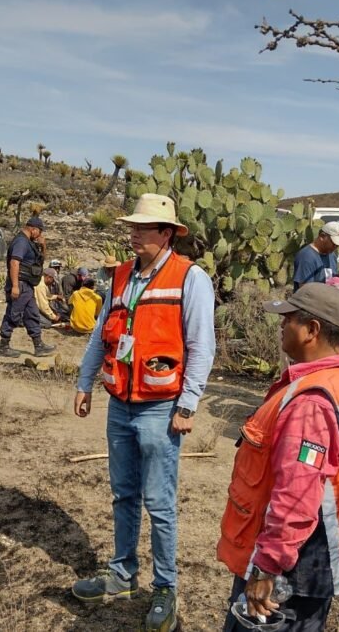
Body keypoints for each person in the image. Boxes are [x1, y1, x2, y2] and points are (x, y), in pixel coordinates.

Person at [71, 193, 216, 632]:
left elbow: (201, 346)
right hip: (120, 404)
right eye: (132, 227)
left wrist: (187, 404)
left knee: (159, 503)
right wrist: (84, 382)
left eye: (143, 228)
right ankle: (121, 576)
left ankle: (165, 588)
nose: (133, 234)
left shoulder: (191, 279)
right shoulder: (118, 277)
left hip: (160, 409)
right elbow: (101, 334)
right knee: (124, 495)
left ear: (167, 234)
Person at [218, 283, 339, 632]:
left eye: (287, 320)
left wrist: (267, 568)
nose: (280, 327)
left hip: (294, 567)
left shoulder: (311, 403)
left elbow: (297, 494)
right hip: (320, 556)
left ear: (312, 330)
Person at [0, 216, 56, 357]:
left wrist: (43, 246)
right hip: (21, 284)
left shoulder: (29, 243)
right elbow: (14, 263)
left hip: (28, 286)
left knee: (32, 314)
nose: (40, 235)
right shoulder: (21, 242)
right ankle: (4, 346)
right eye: (40, 231)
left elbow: (39, 260)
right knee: (13, 314)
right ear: (33, 229)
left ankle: (39, 345)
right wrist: (15, 286)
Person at [293, 221, 339, 290]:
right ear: (322, 236)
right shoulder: (307, 257)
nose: (336, 246)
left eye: (338, 244)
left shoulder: (332, 256)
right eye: (333, 243)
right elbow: (306, 291)